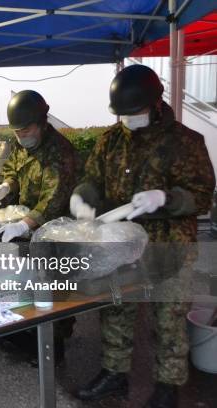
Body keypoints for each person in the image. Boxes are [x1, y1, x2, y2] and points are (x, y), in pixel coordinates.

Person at [71, 65, 215, 408]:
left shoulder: (185, 142)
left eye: (133, 113)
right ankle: (114, 375)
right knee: (117, 309)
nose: (127, 119)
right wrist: (83, 196)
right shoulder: (110, 140)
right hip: (121, 244)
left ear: (155, 103)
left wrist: (166, 198)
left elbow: (202, 195)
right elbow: (92, 177)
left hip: (170, 244)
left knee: (169, 317)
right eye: (121, 114)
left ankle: (168, 387)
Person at [0, 90, 80, 241]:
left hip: (57, 232)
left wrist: (23, 225)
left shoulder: (59, 150)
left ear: (41, 123)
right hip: (26, 224)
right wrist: (7, 185)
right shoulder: (21, 145)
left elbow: (53, 200)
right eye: (17, 132)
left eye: (25, 130)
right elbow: (12, 168)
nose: (21, 136)